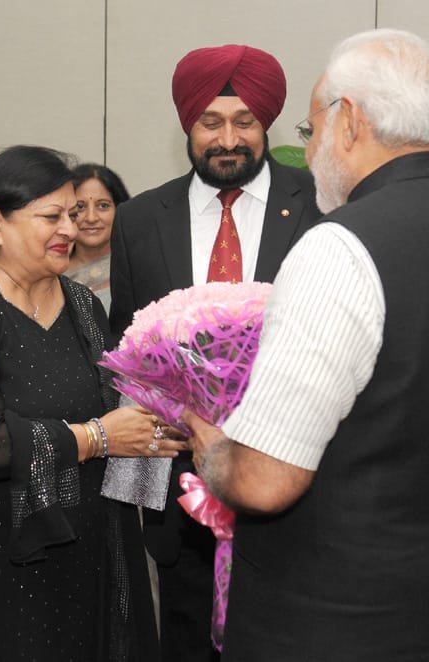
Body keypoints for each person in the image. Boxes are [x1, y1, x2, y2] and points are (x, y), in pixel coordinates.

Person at [181, 29, 429, 661]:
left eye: (311, 127)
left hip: (337, 620)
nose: (312, 146)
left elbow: (266, 479)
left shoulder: (339, 247)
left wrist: (215, 454)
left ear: (348, 120)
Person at [0, 145, 180, 661]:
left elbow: (119, 408)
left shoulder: (83, 305)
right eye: (52, 216)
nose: (70, 229)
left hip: (74, 554)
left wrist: (172, 422)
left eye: (72, 214)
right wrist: (99, 437)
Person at [109, 44, 321, 661]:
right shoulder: (139, 219)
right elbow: (129, 355)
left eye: (245, 122)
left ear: (266, 124)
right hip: (180, 492)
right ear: (187, 124)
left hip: (294, 481)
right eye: (210, 122)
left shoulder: (321, 207)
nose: (228, 138)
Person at [66, 163, 130, 313]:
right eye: (80, 207)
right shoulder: (50, 271)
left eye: (103, 206)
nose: (91, 218)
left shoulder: (136, 270)